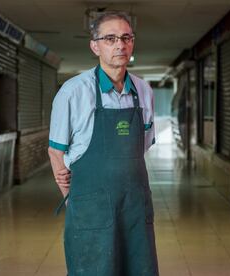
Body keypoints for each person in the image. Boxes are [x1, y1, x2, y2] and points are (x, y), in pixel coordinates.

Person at [48, 11, 159, 276]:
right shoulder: (74, 92)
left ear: (132, 43)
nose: (120, 45)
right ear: (95, 45)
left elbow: (141, 147)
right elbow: (56, 151)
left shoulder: (144, 91)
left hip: (135, 207)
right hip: (92, 210)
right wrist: (77, 198)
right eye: (110, 38)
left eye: (126, 37)